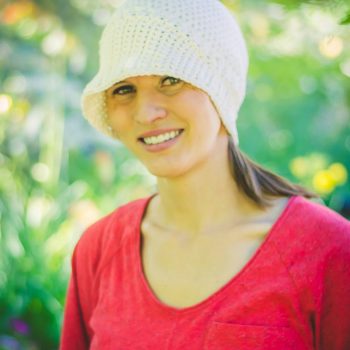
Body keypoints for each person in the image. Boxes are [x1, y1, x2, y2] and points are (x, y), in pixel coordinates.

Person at [60, 0, 350, 349]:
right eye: (124, 89)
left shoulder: (329, 252)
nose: (146, 112)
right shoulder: (99, 249)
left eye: (171, 80)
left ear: (220, 89)